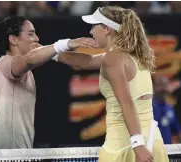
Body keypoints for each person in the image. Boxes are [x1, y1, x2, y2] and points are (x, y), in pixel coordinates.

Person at [54, 6, 169, 162]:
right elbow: (82, 62)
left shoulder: (113, 59)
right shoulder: (130, 55)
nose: (91, 32)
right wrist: (52, 49)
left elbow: (127, 103)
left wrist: (137, 144)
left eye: (94, 26)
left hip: (126, 144)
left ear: (107, 29)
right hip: (152, 140)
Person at [0, 16, 97, 149]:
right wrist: (65, 44)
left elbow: (80, 63)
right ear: (13, 39)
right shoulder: (5, 63)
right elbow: (28, 60)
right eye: (31, 34)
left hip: (20, 155)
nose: (36, 38)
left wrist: (53, 52)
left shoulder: (28, 73)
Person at [153, 75, 181, 144]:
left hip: (168, 149)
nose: (163, 89)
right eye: (160, 85)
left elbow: (178, 130)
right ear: (154, 87)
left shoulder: (169, 108)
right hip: (152, 149)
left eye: (165, 85)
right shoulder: (149, 107)